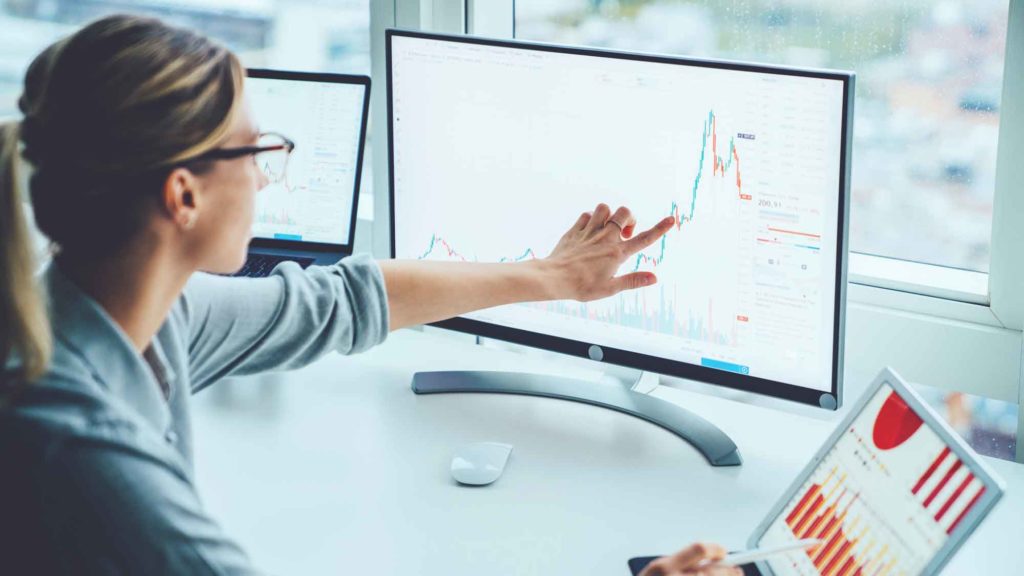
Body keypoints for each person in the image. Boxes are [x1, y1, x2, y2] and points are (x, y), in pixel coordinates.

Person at [0, 14, 739, 576]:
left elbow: (344, 301)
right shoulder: (80, 449)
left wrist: (554, 277)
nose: (264, 176)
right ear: (182, 195)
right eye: (256, 151)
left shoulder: (123, 314)